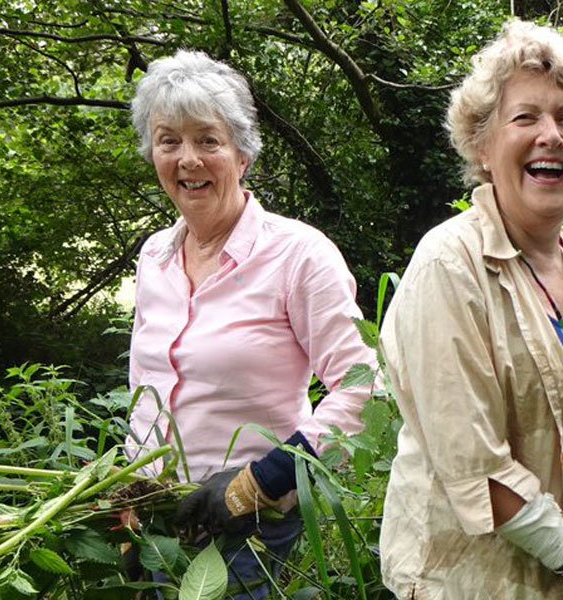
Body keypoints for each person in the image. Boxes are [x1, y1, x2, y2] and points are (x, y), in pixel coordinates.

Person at [378, 20, 563, 600]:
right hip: (477, 582)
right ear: (482, 145)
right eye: (525, 117)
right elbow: (474, 466)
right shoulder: (449, 266)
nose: (550, 135)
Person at [123, 50, 376, 598]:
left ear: (242, 155)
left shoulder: (299, 256)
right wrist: (125, 490)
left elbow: (365, 385)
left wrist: (265, 480)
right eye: (169, 141)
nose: (188, 158)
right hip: (151, 513)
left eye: (208, 141)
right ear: (153, 155)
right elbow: (149, 387)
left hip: (244, 522)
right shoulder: (155, 257)